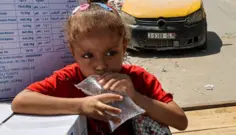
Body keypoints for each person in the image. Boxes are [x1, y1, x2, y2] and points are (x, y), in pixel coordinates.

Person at [12, 3, 188, 135]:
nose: (101, 65)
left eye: (111, 53)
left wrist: (136, 97)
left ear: (124, 46)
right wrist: (81, 105)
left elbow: (180, 121)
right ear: (73, 52)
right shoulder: (69, 78)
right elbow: (21, 102)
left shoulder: (138, 78)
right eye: (88, 56)